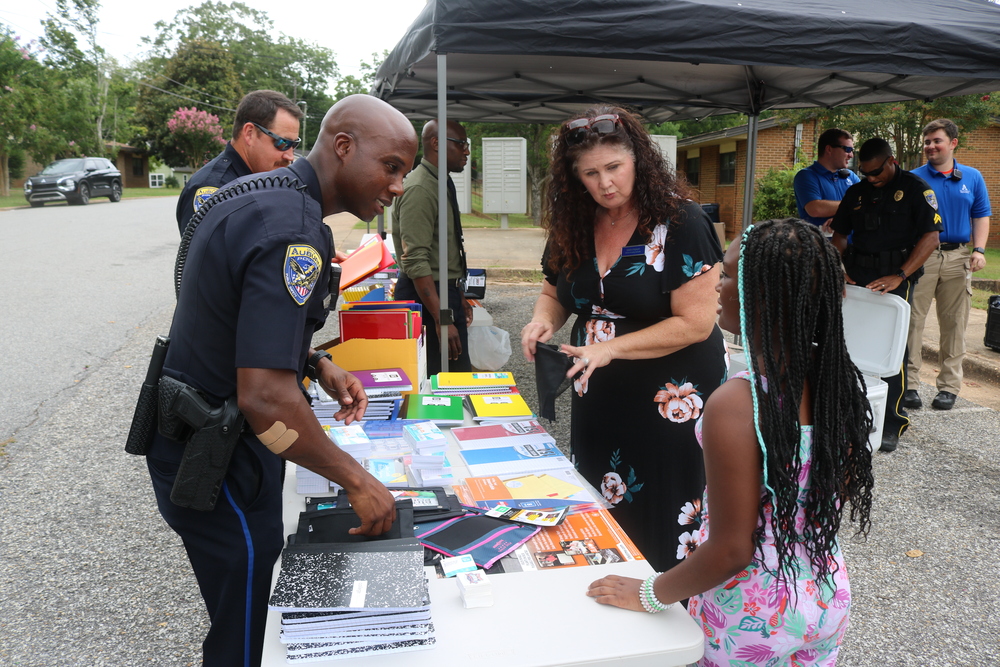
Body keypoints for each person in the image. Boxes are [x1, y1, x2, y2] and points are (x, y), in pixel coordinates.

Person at [145, 94, 418, 666]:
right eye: (390, 167)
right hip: (216, 460)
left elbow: (238, 323)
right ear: (343, 147)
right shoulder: (294, 231)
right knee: (250, 628)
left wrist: (316, 362)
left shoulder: (261, 194)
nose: (396, 186)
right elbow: (264, 396)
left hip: (213, 439)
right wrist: (357, 481)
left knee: (251, 606)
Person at [587, 219, 875, 666]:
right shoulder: (837, 384)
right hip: (824, 594)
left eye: (726, 274)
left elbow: (731, 550)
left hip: (750, 614)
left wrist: (650, 592)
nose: (717, 285)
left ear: (760, 295)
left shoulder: (740, 403)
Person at [520, 106, 726, 572]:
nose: (604, 183)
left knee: (666, 501)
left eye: (614, 167)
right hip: (600, 390)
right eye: (590, 173)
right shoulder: (574, 221)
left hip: (672, 394)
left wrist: (609, 347)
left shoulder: (681, 222)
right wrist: (542, 319)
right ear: (575, 178)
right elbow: (554, 290)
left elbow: (696, 323)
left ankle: (667, 603)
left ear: (638, 161)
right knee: (601, 495)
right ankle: (611, 592)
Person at [830, 138, 942, 453]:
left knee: (892, 352)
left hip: (897, 279)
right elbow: (839, 236)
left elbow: (931, 238)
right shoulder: (857, 191)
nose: (871, 178)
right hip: (856, 277)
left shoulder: (916, 190)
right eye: (865, 173)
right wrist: (837, 268)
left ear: (891, 161)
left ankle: (892, 421)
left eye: (876, 172)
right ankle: (846, 411)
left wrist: (900, 275)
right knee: (849, 343)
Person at [906, 118, 992, 411]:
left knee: (954, 324)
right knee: (912, 322)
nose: (930, 146)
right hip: (921, 256)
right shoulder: (913, 178)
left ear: (953, 143)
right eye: (927, 141)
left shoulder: (972, 177)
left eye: (936, 141)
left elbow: (981, 215)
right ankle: (909, 385)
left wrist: (979, 250)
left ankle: (948, 388)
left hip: (958, 258)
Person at [392, 119, 473, 375]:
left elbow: (443, 251)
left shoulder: (438, 181)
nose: (467, 151)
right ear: (436, 143)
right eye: (461, 144)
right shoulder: (420, 188)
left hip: (441, 293)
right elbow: (416, 260)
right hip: (427, 298)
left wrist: (458, 294)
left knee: (456, 377)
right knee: (439, 382)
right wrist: (442, 318)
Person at [176, 89, 304, 235]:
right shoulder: (213, 189)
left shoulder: (266, 181)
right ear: (249, 133)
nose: (290, 156)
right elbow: (210, 255)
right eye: (282, 143)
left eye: (294, 145)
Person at [793, 128, 861, 232]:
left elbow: (866, 203)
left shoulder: (850, 176)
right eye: (847, 150)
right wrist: (852, 204)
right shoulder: (806, 176)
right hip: (820, 245)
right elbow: (815, 209)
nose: (851, 155)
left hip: (852, 244)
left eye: (852, 150)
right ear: (829, 149)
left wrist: (839, 219)